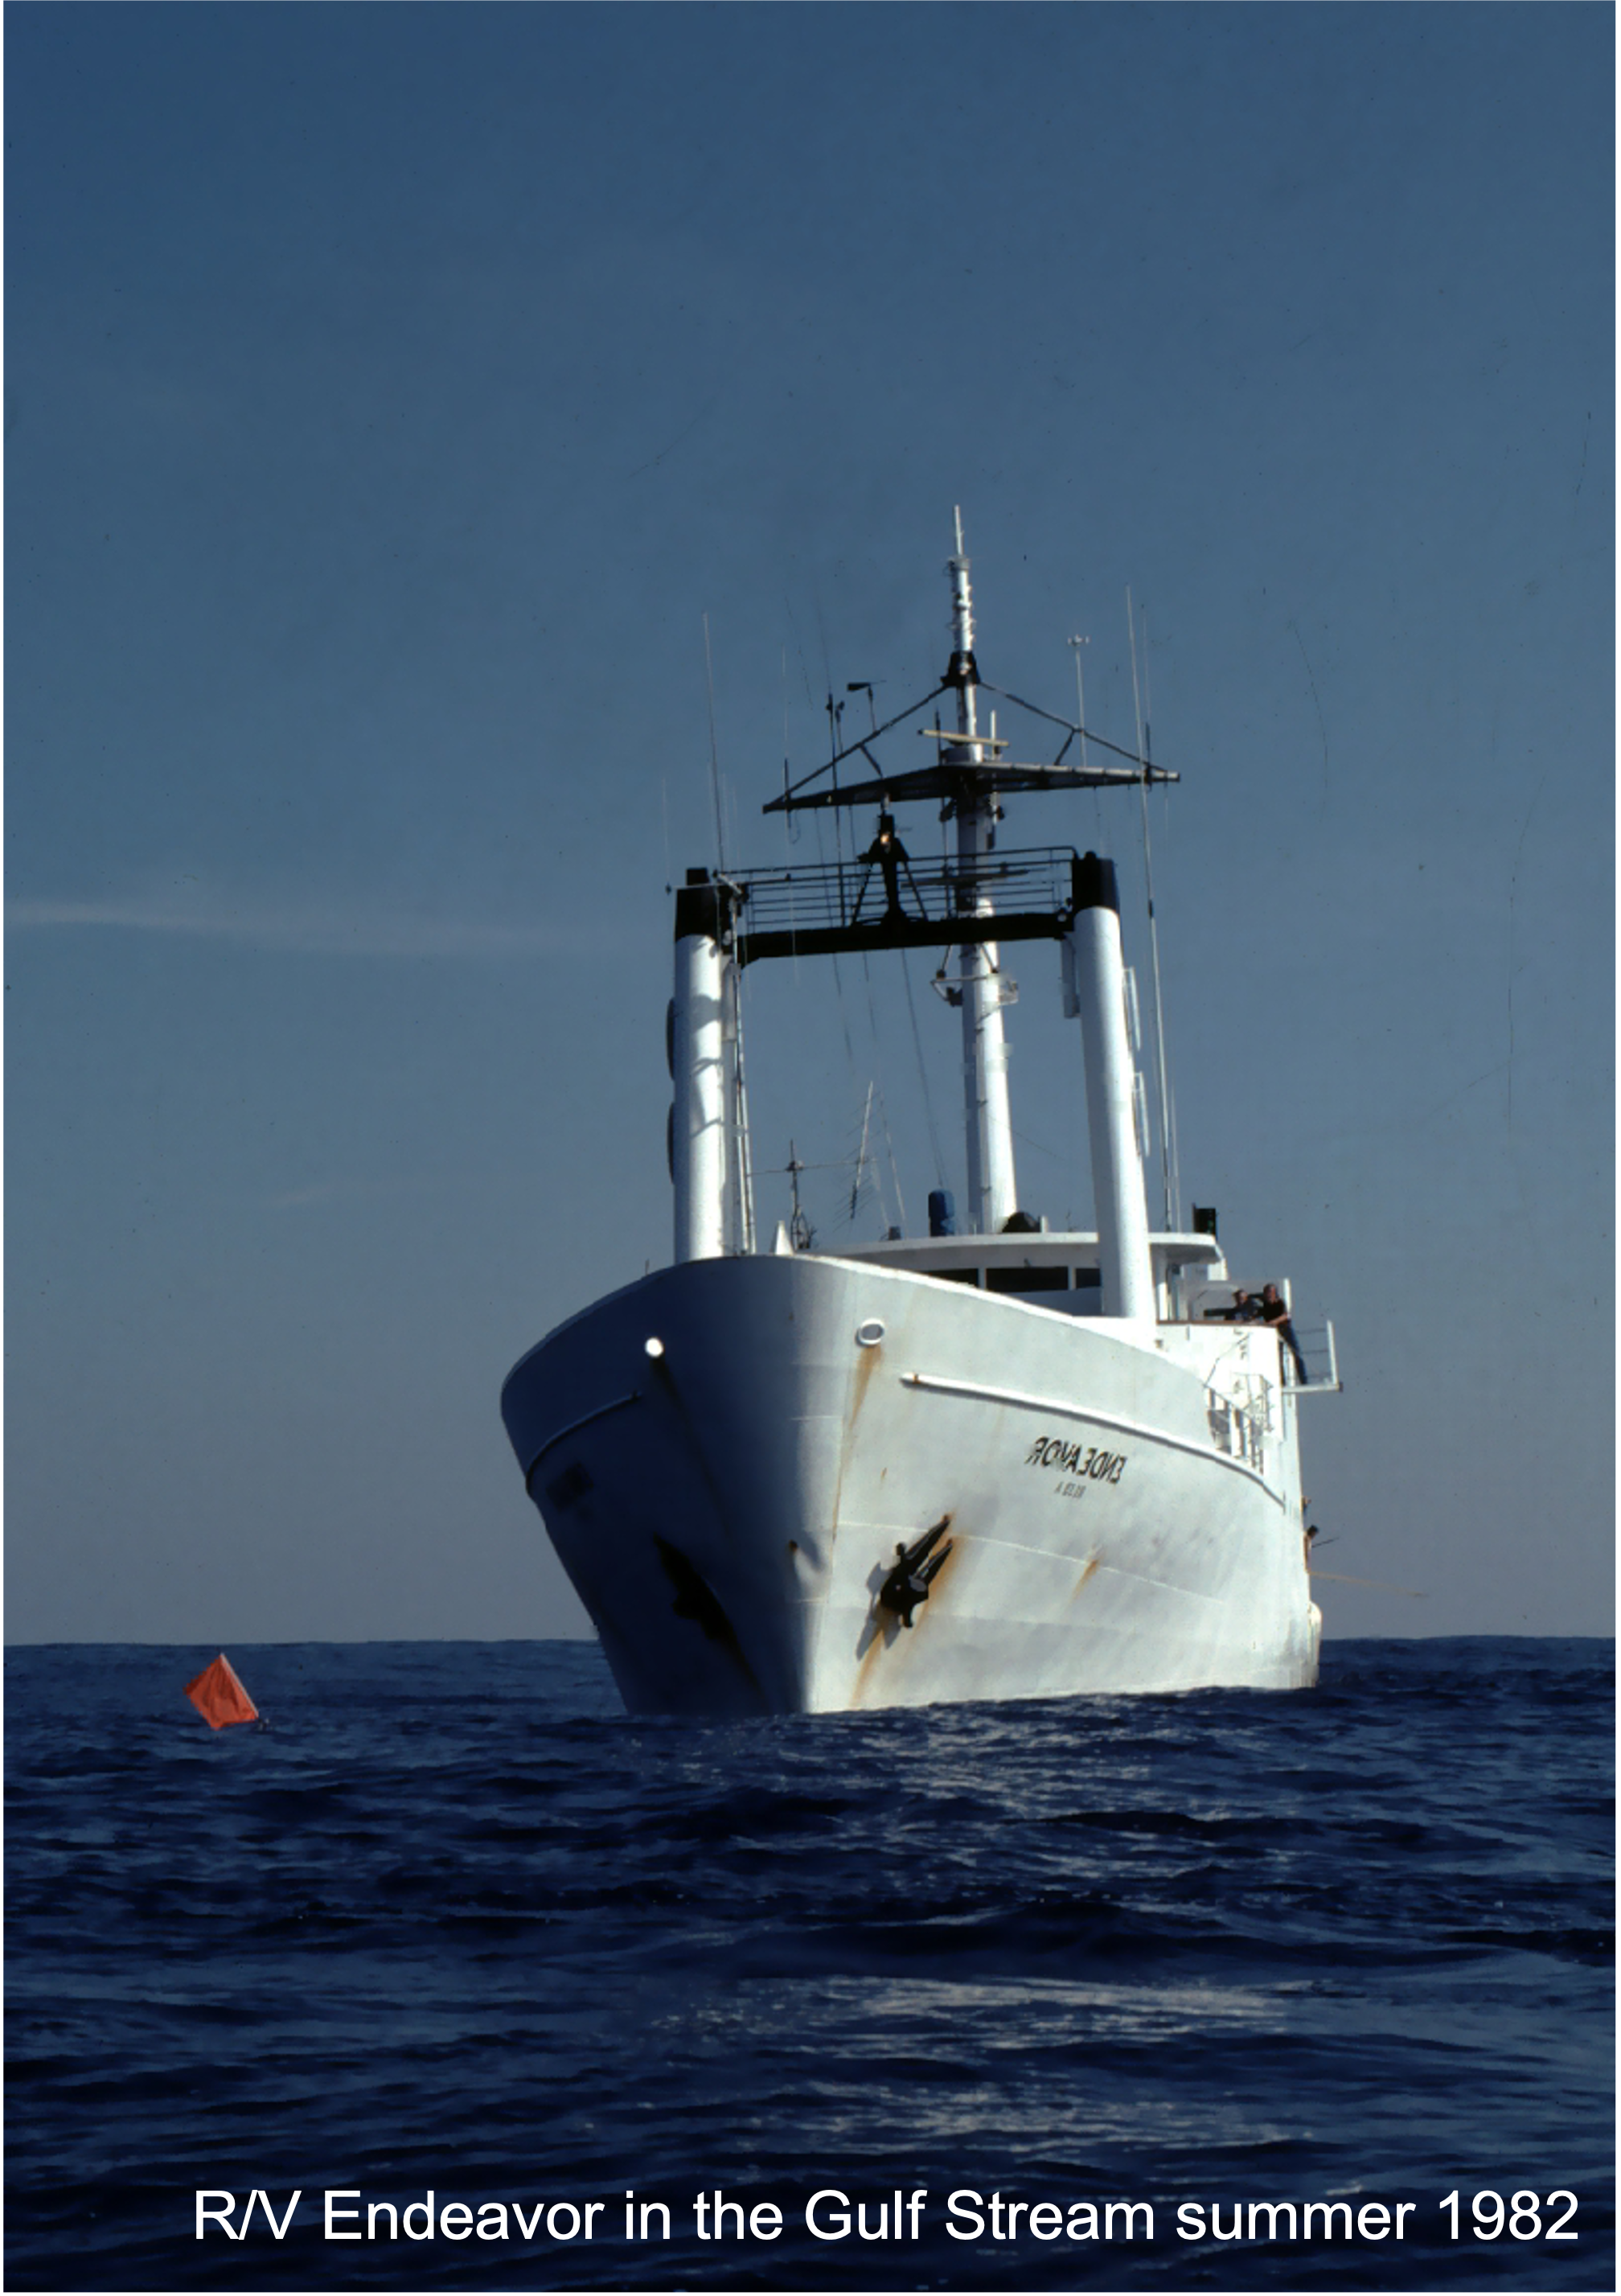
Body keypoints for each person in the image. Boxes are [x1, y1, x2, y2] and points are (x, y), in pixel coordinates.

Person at [1260, 1283, 1309, 1386]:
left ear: (1275, 1294)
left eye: (1270, 1293)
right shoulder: (1265, 1306)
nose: (1268, 1295)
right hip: (1274, 1332)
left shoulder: (1280, 1303)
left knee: (1297, 1353)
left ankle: (1304, 1380)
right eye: (1267, 1293)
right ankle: (1283, 1382)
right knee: (1278, 1357)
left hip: (1286, 1329)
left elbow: (1285, 1316)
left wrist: (1273, 1322)